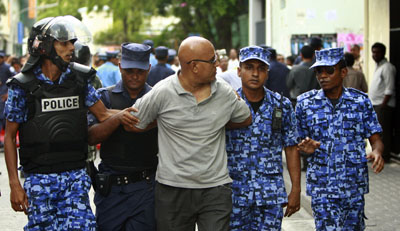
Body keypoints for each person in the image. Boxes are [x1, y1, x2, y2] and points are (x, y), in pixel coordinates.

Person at [3, 15, 125, 230]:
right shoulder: (22, 86)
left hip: (75, 177)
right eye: (64, 42)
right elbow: (11, 137)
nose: (71, 48)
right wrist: (15, 184)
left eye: (73, 43)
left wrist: (137, 113)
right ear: (46, 47)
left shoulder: (79, 79)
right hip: (39, 180)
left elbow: (103, 115)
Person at [128, 36, 252, 231]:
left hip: (215, 188)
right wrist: (161, 122)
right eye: (213, 60)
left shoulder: (224, 93)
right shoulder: (163, 91)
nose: (218, 64)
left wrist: (217, 124)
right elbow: (133, 123)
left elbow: (245, 118)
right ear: (194, 66)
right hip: (173, 189)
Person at [296, 47, 384, 230]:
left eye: (329, 70)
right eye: (318, 71)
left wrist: (377, 152)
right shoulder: (305, 103)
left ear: (343, 72)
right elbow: (295, 143)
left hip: (353, 186)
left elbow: (375, 138)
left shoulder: (360, 102)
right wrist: (305, 147)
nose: (323, 76)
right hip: (322, 187)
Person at [226, 45, 301, 230]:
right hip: (235, 194)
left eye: (261, 68)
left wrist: (296, 189)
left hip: (270, 194)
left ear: (267, 73)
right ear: (239, 71)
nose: (255, 73)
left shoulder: (281, 105)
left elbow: (291, 148)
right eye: (249, 67)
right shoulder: (227, 104)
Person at [87, 43, 158, 231]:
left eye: (140, 71)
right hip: (112, 190)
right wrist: (117, 119)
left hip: (146, 187)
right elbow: (91, 137)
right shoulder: (104, 97)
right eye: (129, 71)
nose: (134, 76)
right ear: (120, 67)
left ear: (148, 69)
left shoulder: (158, 98)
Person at [370, 42, 396, 162]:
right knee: (376, 132)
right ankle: (377, 155)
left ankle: (384, 156)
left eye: (377, 52)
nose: (375, 55)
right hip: (377, 105)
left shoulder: (387, 67)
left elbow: (389, 89)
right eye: (373, 52)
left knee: (383, 132)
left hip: (383, 105)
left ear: (384, 53)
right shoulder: (378, 66)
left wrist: (383, 105)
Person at [0, 51, 14, 140]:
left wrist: (8, 93)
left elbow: (13, 80)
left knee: (3, 116)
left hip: (5, 95)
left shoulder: (8, 68)